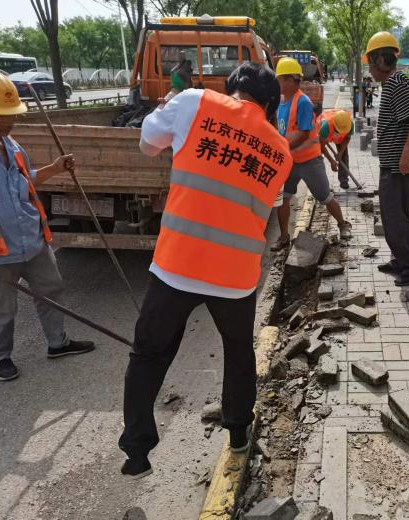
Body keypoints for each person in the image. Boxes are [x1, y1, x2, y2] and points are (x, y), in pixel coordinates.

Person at [118, 63, 292, 479]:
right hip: (235, 277)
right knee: (238, 352)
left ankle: (138, 454)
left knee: (149, 353)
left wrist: (170, 111)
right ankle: (238, 433)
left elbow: (147, 143)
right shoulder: (280, 150)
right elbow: (269, 204)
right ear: (270, 105)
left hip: (177, 265)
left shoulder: (193, 102)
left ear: (231, 90)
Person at [0, 71, 95, 382]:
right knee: (3, 308)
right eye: (2, 115)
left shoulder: (12, 146)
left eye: (12, 114)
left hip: (33, 240)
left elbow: (28, 180)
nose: (11, 121)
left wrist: (55, 168)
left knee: (51, 290)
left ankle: (57, 343)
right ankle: (1, 357)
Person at [364, 32, 409, 287]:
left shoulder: (397, 82)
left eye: (370, 63)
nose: (369, 70)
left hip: (398, 166)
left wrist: (406, 152)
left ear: (381, 60)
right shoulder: (392, 83)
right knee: (396, 215)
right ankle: (400, 260)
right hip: (393, 164)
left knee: (394, 217)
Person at [272, 57, 351, 251]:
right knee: (283, 199)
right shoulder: (280, 101)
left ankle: (343, 225)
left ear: (290, 80)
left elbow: (304, 133)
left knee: (325, 197)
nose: (277, 83)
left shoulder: (303, 102)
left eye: (279, 79)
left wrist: (284, 147)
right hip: (290, 161)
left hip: (309, 161)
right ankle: (284, 237)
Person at [318, 109, 353, 190]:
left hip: (339, 138)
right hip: (324, 135)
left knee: (344, 156)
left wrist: (340, 153)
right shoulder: (325, 126)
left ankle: (344, 181)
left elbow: (347, 138)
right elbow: (322, 146)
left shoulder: (349, 124)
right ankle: (321, 184)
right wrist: (331, 161)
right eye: (339, 131)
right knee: (318, 158)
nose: (342, 133)